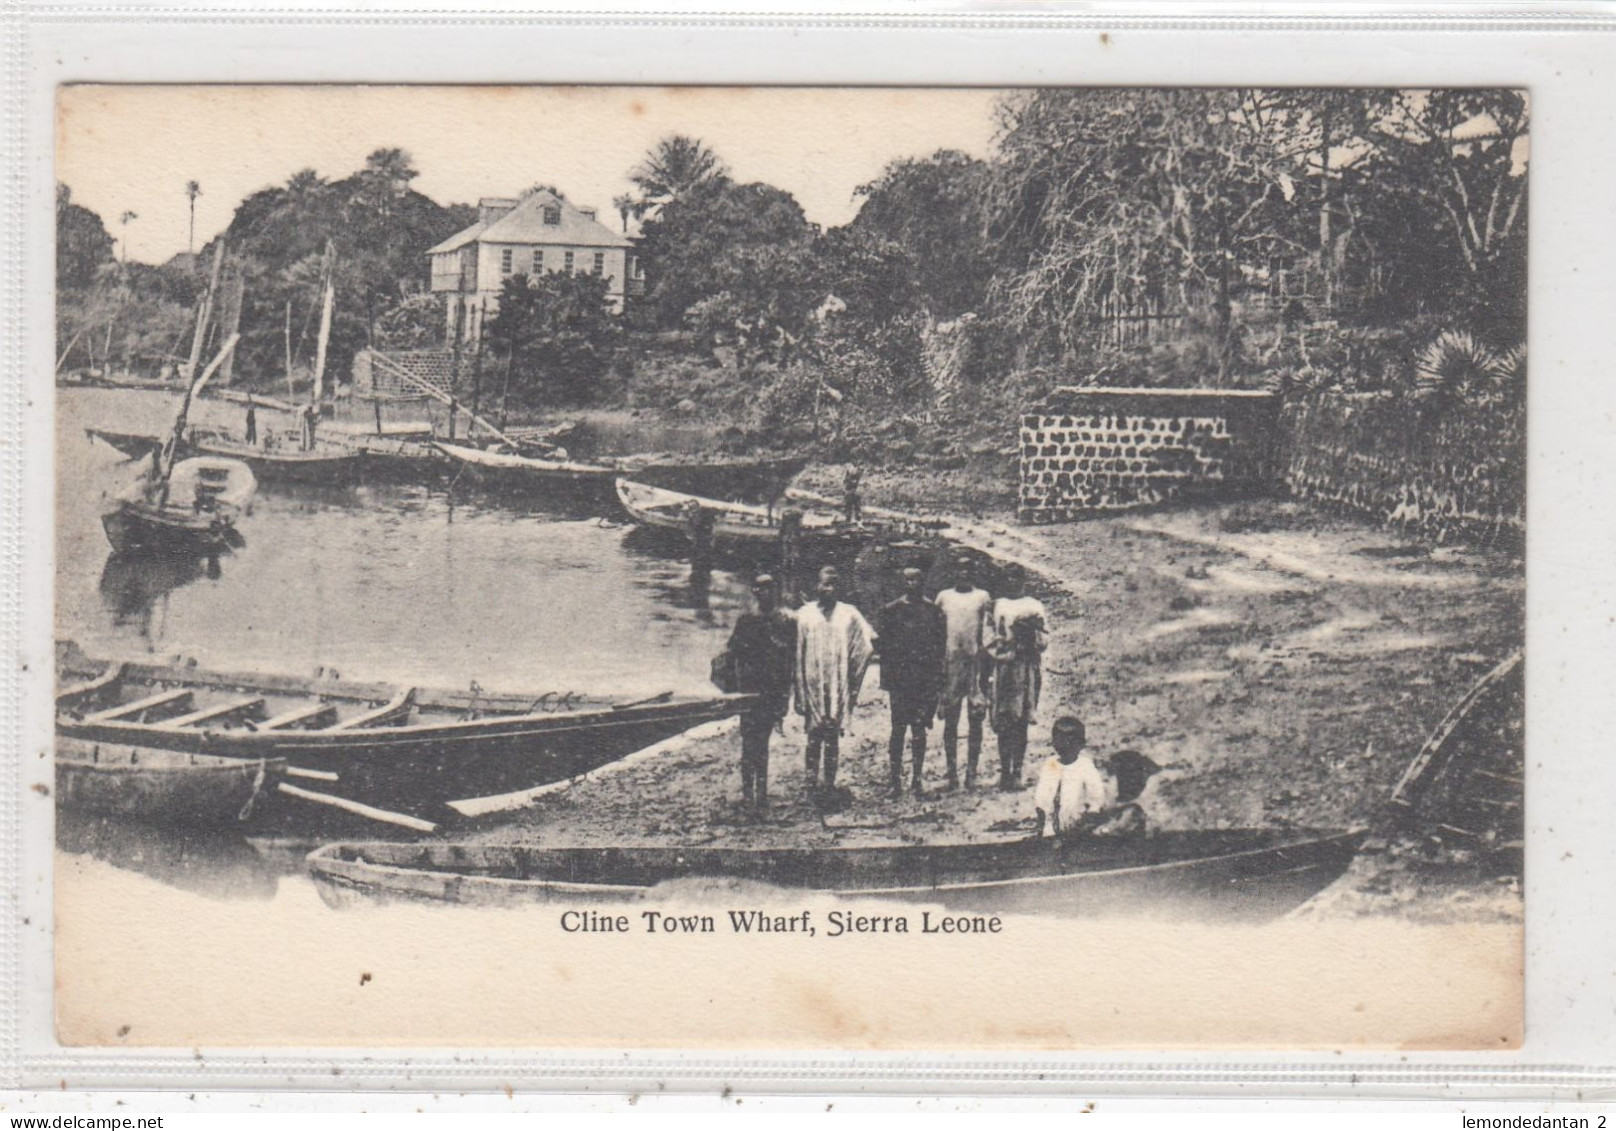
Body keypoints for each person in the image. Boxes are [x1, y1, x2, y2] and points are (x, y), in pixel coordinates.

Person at [793, 565, 876, 800]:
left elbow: (868, 640)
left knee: (832, 734)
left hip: (838, 680)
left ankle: (828, 784)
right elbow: (797, 653)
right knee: (814, 733)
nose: (828, 588)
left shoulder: (848, 613)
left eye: (833, 584)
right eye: (824, 584)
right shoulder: (804, 614)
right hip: (812, 682)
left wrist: (852, 672)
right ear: (816, 586)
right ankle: (811, 784)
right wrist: (799, 690)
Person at [723, 574, 796, 815]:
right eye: (760, 589)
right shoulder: (747, 620)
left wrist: (785, 695)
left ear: (774, 591)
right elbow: (732, 654)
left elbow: (789, 662)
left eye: (769, 589)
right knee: (748, 741)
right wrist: (733, 689)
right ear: (754, 592)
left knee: (762, 743)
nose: (764, 593)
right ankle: (747, 793)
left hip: (771, 690)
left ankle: (761, 793)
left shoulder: (784, 621)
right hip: (750, 690)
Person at [877, 567, 946, 798]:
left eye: (917, 579)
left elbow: (939, 651)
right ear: (902, 581)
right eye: (908, 579)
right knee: (897, 730)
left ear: (923, 581)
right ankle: (895, 782)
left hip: (923, 682)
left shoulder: (933, 611)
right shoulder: (891, 611)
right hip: (900, 682)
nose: (912, 583)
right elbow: (885, 650)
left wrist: (936, 683)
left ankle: (917, 781)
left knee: (919, 730)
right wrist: (887, 681)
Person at [1034, 717, 1154, 838]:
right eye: (1059, 739)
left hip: (1077, 825)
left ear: (1081, 744)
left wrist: (1090, 814)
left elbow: (1096, 795)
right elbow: (1042, 792)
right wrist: (1041, 813)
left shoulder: (1085, 765)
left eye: (1070, 740)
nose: (1064, 744)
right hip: (1052, 824)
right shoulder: (1050, 763)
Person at [935, 554, 994, 790]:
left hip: (974, 664)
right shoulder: (944, 597)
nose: (964, 574)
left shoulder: (982, 597)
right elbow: (937, 631)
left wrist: (985, 665)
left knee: (975, 719)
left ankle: (971, 773)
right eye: (960, 570)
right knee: (951, 720)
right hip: (951, 664)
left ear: (974, 573)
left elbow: (988, 632)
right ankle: (952, 774)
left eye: (968, 570)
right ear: (953, 573)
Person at [987, 574, 1047, 790]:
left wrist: (1030, 639)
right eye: (1009, 579)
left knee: (1021, 720)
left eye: (1017, 579)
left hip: (1026, 668)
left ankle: (1017, 772)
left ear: (1023, 582)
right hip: (1004, 668)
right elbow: (990, 636)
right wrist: (1005, 647)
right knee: (1004, 720)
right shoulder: (999, 605)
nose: (1013, 583)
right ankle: (1004, 772)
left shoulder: (1034, 605)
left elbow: (1043, 640)